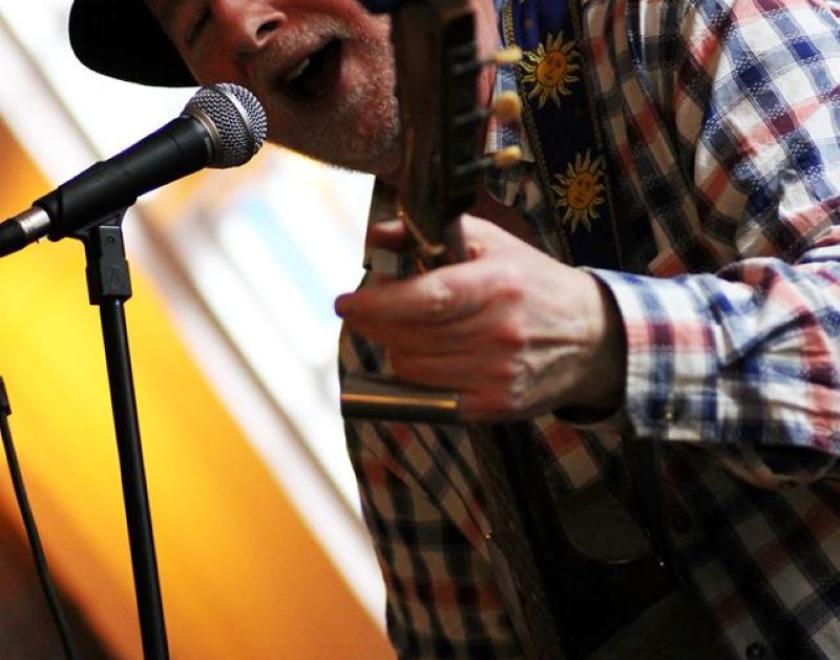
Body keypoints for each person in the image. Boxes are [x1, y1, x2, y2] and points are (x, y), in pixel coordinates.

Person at [68, 0, 840, 658]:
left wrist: (609, 341)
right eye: (196, 23)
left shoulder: (675, 19)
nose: (242, 25)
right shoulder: (381, 362)